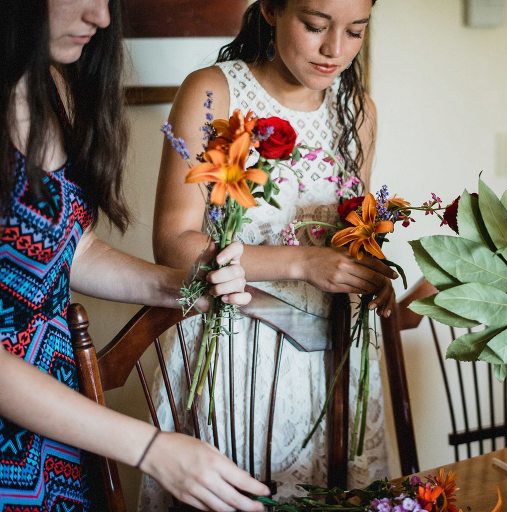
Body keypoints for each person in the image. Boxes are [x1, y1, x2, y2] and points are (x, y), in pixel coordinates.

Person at [0, 0, 272, 510]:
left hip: (60, 416)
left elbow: (66, 248)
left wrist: (183, 286)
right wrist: (150, 448)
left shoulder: (53, 85)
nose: (101, 19)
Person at [145, 0, 394, 505]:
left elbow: (348, 234)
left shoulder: (359, 112)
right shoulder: (214, 91)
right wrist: (302, 264)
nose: (334, 50)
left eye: (355, 31)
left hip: (331, 360)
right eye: (316, 26)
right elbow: (174, 244)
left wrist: (366, 271)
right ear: (272, 10)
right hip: (231, 350)